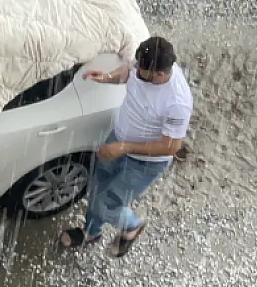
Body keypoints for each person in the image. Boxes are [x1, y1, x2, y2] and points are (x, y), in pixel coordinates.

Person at [58, 36, 193, 258]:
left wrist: (124, 148)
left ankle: (132, 226)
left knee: (109, 205)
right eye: (138, 64)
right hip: (118, 138)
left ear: (160, 74)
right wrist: (107, 77)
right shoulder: (146, 62)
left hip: (144, 163)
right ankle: (91, 232)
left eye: (142, 70)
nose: (136, 70)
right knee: (97, 189)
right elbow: (127, 72)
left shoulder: (177, 102)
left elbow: (170, 146)